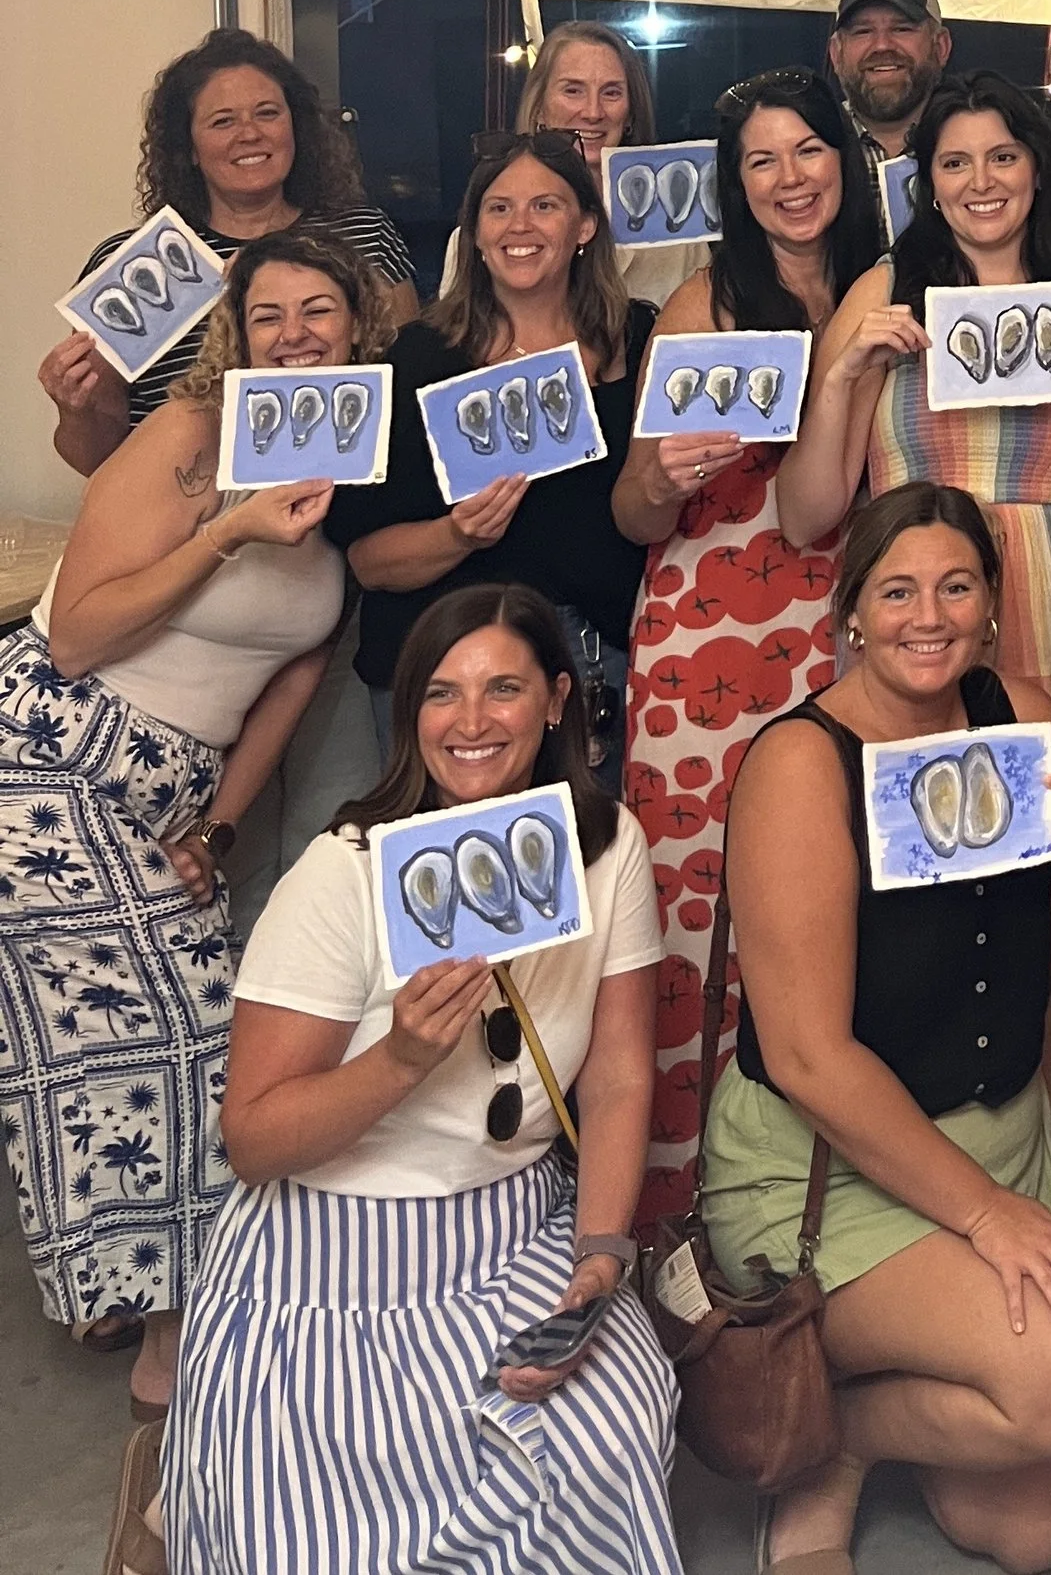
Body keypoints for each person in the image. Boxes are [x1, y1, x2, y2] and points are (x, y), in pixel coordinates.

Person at [163, 583, 680, 1575]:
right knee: (320, 1528)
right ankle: (178, 1488)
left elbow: (618, 1076)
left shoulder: (610, 846)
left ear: (558, 699)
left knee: (611, 1427)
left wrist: (600, 1258)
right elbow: (253, 1141)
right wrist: (399, 1058)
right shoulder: (344, 870)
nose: (471, 720)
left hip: (513, 1227)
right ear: (411, 715)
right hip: (326, 1249)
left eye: (503, 689)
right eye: (442, 693)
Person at [703, 484, 1051, 1575]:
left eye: (955, 587)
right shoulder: (800, 761)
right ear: (851, 610)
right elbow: (807, 1058)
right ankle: (828, 1432)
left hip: (998, 1137)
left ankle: (852, 1424)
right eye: (896, 591)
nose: (927, 617)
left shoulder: (1023, 716)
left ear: (991, 605)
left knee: (1028, 1532)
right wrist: (985, 1217)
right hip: (825, 1171)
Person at [0, 232, 379, 1411]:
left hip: (169, 790)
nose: (295, 335)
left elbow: (293, 681)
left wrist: (216, 831)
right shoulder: (189, 434)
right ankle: (174, 1341)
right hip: (50, 754)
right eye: (269, 315)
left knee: (186, 1037)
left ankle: (171, 1304)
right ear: (236, 332)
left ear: (357, 329)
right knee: (173, 1030)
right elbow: (77, 635)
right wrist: (228, 530)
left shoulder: (360, 461)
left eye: (318, 312)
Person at [778, 73, 1051, 1235]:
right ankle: (934, 1176)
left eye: (1002, 156)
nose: (981, 181)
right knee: (929, 884)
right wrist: (845, 376)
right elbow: (807, 513)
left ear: (1039, 167)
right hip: (920, 616)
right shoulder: (884, 292)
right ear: (925, 184)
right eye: (954, 162)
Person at [613, 68, 884, 1225]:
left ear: (844, 160)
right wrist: (661, 476)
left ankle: (825, 1194)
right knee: (698, 913)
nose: (789, 178)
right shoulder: (703, 304)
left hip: (856, 628)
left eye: (807, 150)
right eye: (760, 160)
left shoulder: (889, 286)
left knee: (832, 904)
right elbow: (633, 512)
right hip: (709, 640)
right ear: (735, 183)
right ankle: (685, 1206)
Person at [327, 133, 656, 789]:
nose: (520, 226)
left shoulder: (640, 339)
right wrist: (458, 534)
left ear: (586, 226)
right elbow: (366, 560)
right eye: (499, 208)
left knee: (586, 843)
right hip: (440, 666)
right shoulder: (416, 358)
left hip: (595, 666)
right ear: (474, 234)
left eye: (545, 206)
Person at [42, 28, 417, 475]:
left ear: (296, 128)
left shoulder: (363, 236)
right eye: (223, 121)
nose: (250, 134)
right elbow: (98, 462)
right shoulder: (128, 268)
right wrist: (74, 409)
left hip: (343, 499)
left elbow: (408, 392)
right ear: (190, 148)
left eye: (267, 113)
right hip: (179, 505)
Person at [449, 21, 707, 308]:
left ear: (631, 112)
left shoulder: (682, 237)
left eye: (611, 92)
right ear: (539, 107)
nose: (593, 112)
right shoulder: (482, 239)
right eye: (573, 91)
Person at [826, 0, 954, 167]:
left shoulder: (983, 140)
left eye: (902, 29)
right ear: (836, 54)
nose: (882, 45)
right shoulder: (810, 143)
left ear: (941, 47)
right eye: (863, 31)